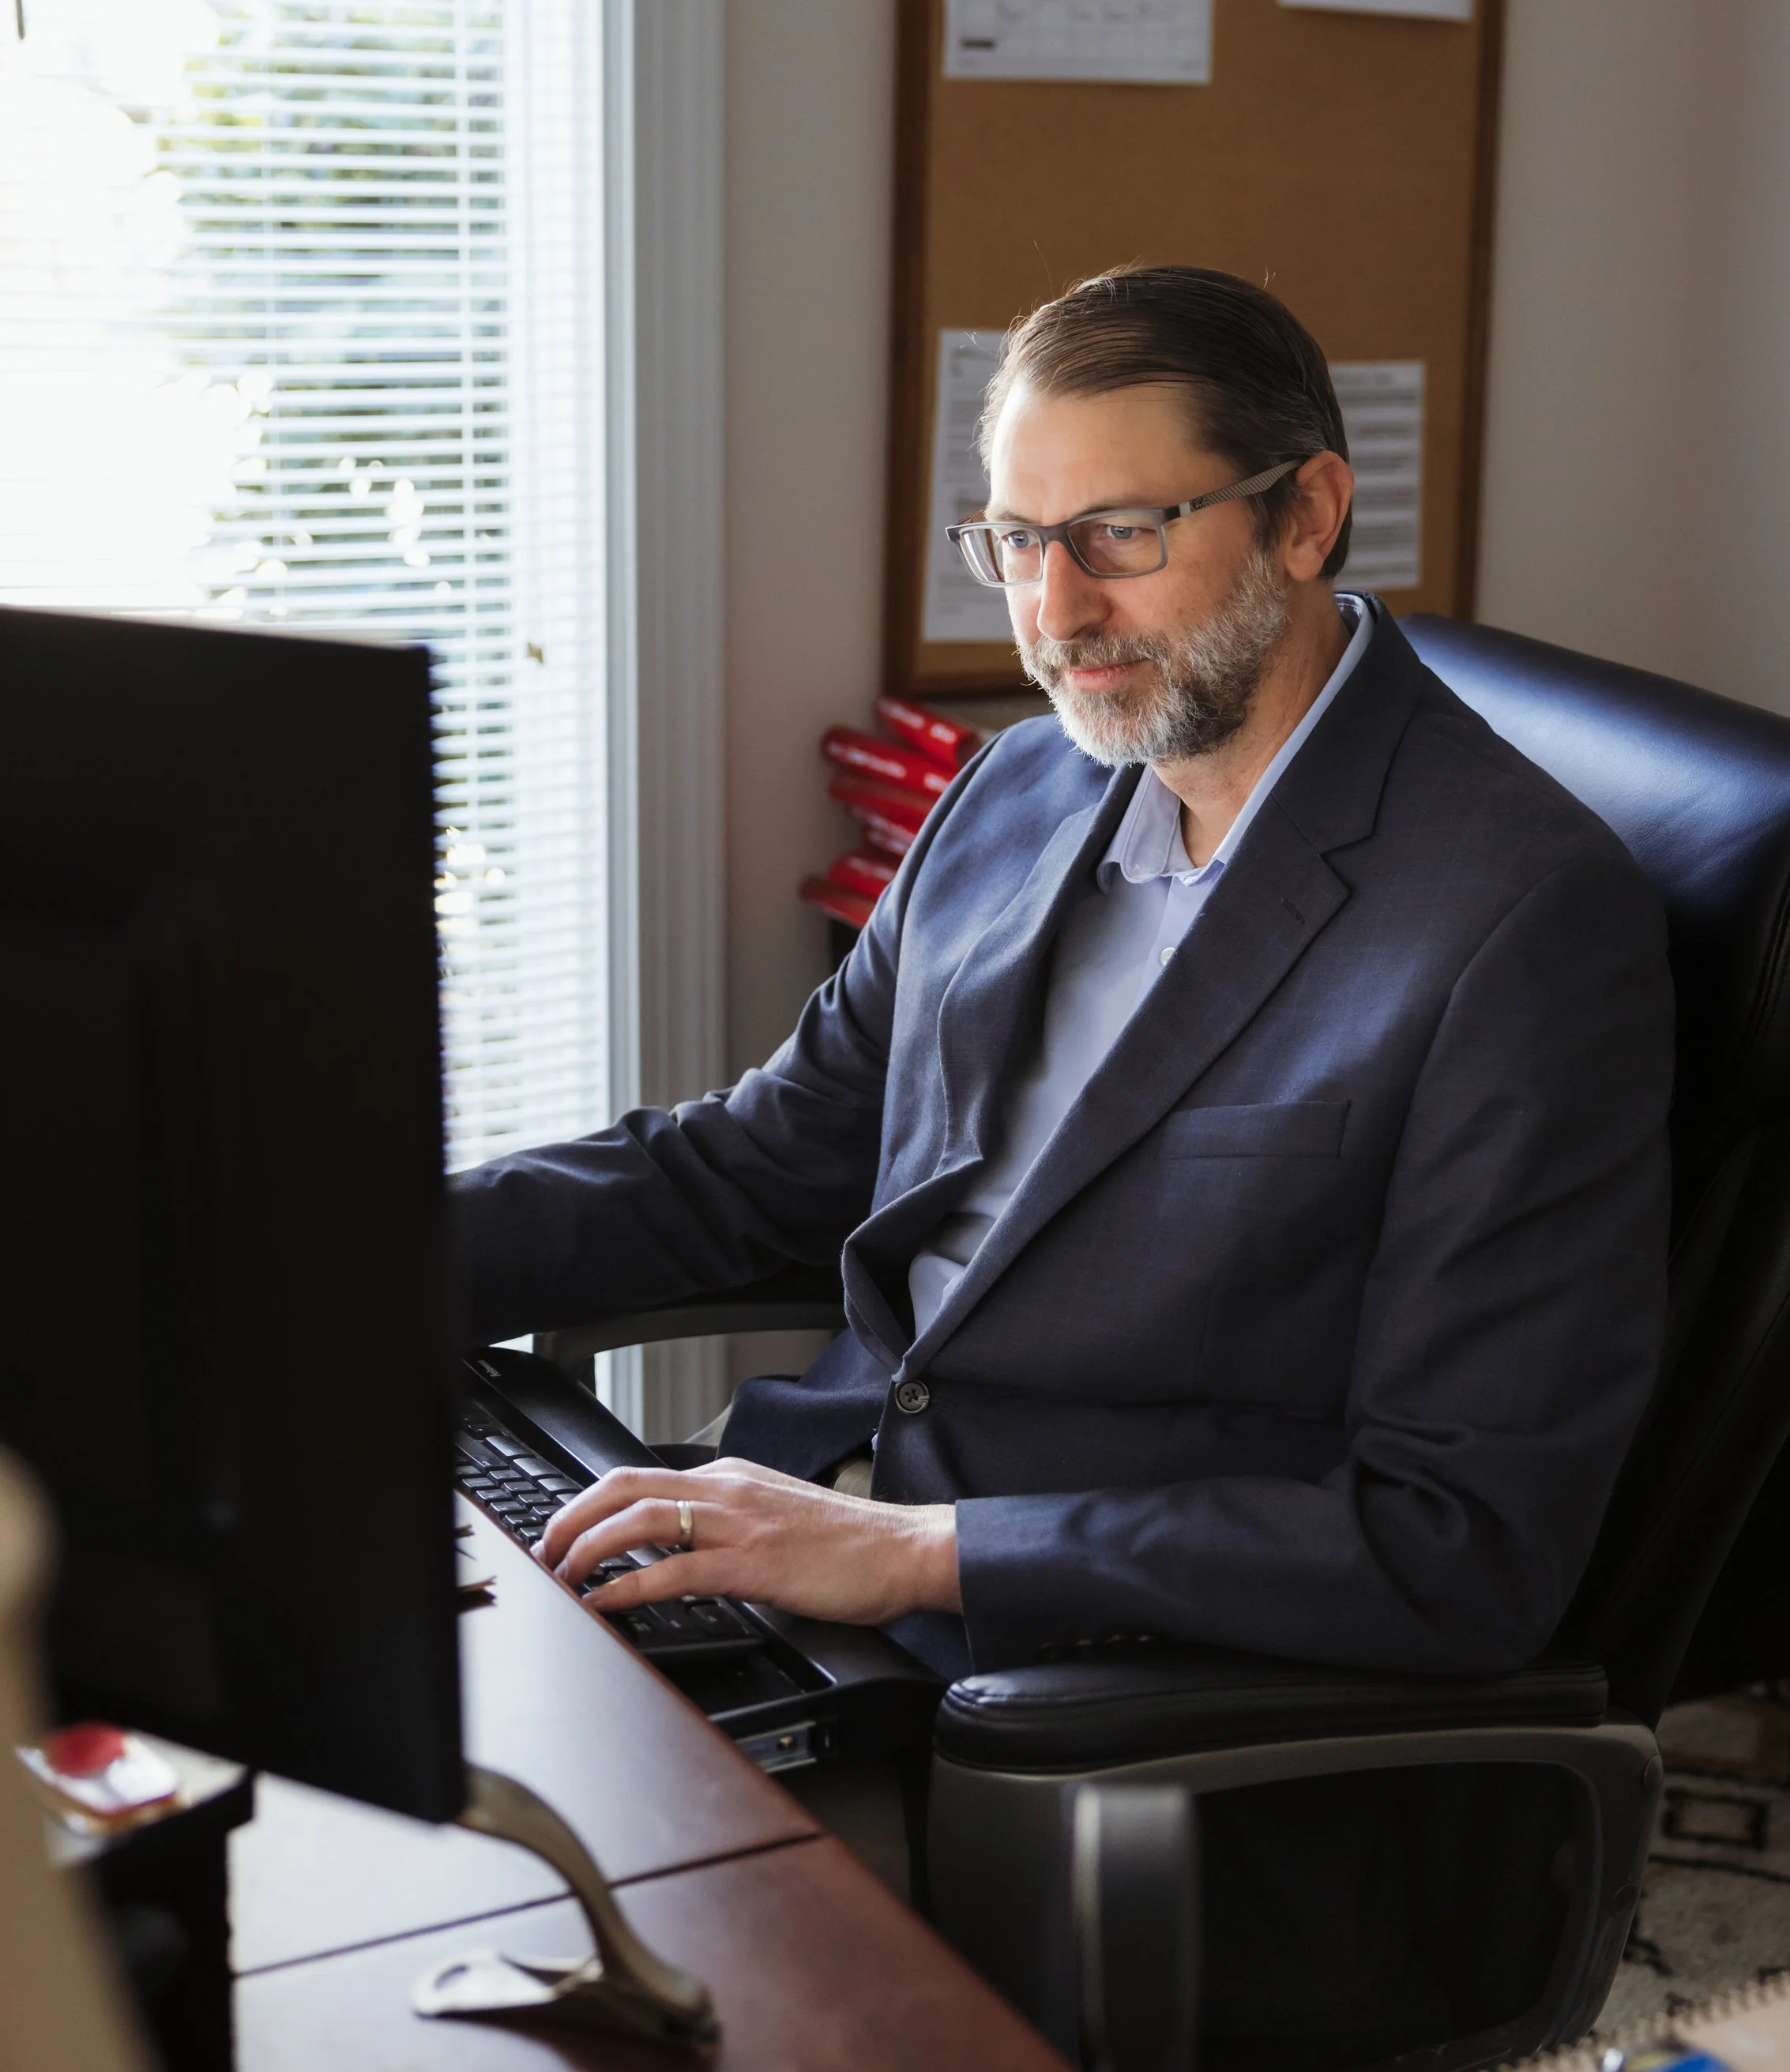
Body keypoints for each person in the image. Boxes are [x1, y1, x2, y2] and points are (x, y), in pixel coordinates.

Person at [453, 265, 1674, 1702]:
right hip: (793, 1542)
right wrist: (318, 1267)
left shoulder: (1520, 921)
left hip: (1070, 1678)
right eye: (1018, 539)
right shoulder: (1023, 784)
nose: (1056, 610)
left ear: (1308, 513)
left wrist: (919, 1549)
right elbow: (757, 1162)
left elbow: (1459, 1540)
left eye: (1121, 533)